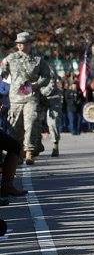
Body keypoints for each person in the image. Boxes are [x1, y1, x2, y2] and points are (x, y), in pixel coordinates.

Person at [1, 32, 50, 164]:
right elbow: (2, 74)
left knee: (32, 122)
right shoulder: (10, 58)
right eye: (18, 44)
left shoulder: (38, 60)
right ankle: (18, 153)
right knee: (15, 127)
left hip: (31, 97)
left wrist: (36, 85)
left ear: (29, 44)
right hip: (15, 98)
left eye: (23, 43)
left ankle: (29, 152)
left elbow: (46, 76)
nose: (20, 46)